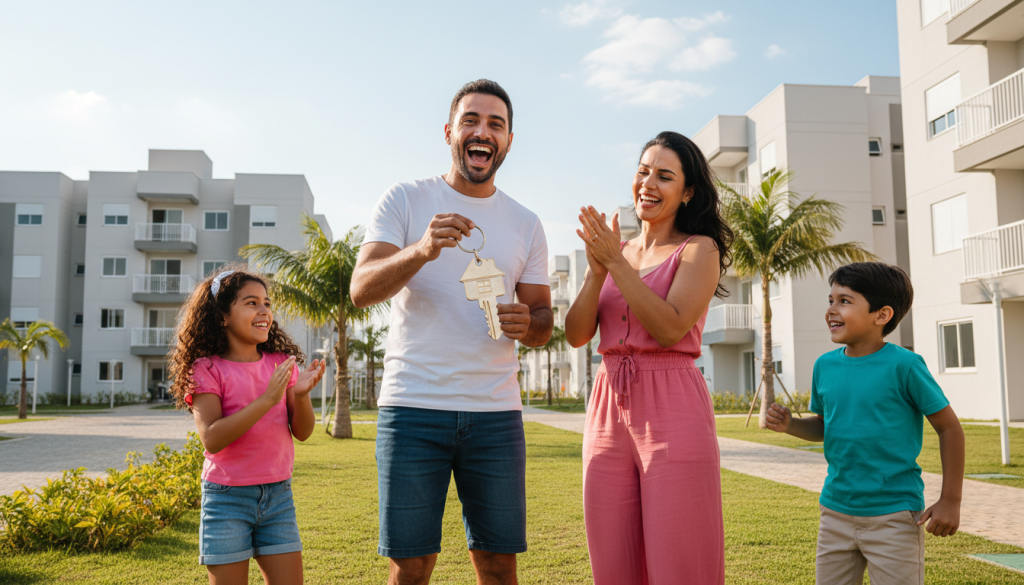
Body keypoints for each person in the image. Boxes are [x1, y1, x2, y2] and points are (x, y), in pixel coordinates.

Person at [349, 79, 553, 585]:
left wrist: (529, 324)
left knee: (498, 565)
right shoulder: (405, 199)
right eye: (471, 120)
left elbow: (544, 320)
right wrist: (420, 250)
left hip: (495, 414)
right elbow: (360, 289)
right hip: (413, 407)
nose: (482, 132)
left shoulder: (526, 223)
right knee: (412, 566)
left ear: (508, 141)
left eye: (495, 124)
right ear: (449, 132)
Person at [564, 131, 732, 584]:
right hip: (607, 404)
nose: (648, 183)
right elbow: (577, 335)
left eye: (664, 175)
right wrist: (597, 271)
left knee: (679, 551)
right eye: (642, 172)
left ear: (687, 191)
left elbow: (670, 327)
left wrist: (616, 265)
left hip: (672, 400)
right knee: (611, 551)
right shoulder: (614, 254)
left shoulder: (699, 249)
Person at [766, 262, 965, 585]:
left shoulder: (905, 365)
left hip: (894, 515)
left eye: (844, 301)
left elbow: (950, 428)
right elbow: (824, 427)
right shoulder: (825, 366)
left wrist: (950, 500)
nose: (831, 310)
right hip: (835, 512)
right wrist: (791, 425)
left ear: (882, 315)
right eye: (830, 300)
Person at [169, 267, 326, 585]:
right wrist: (267, 400)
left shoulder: (280, 363)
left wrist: (300, 394)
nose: (264, 310)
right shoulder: (206, 369)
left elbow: (303, 432)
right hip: (226, 498)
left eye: (267, 303)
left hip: (278, 495)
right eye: (251, 302)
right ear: (222, 316)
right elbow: (212, 438)